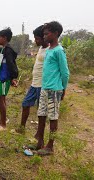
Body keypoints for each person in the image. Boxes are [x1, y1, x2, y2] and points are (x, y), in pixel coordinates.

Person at [36, 21, 69, 155]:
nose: (44, 36)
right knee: (41, 115)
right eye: (43, 34)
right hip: (45, 88)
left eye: (46, 33)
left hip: (54, 89)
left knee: (53, 117)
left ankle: (50, 146)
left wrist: (63, 88)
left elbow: (65, 72)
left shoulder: (59, 51)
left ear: (55, 34)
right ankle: (40, 142)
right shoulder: (49, 49)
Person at [16, 25, 49, 135]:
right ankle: (22, 128)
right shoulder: (41, 48)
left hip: (42, 85)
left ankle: (39, 134)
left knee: (41, 111)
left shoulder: (50, 50)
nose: (35, 41)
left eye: (37, 38)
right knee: (25, 104)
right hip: (34, 84)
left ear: (44, 37)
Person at [0, 28, 19, 132]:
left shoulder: (8, 50)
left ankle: (3, 124)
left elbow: (11, 65)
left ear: (4, 38)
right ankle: (1, 120)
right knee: (1, 100)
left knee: (0, 99)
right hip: (1, 77)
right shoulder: (4, 49)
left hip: (4, 78)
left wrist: (13, 77)